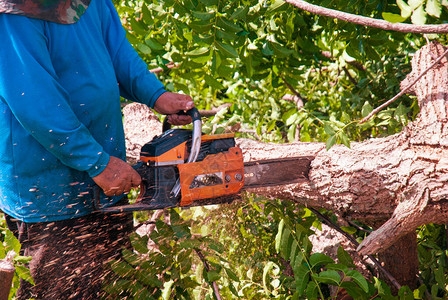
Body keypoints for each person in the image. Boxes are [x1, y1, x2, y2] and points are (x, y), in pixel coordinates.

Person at [0, 0, 193, 298]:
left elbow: (118, 54)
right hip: (49, 188)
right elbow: (36, 102)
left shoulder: (91, 2)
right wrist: (96, 162)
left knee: (114, 284)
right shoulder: (13, 13)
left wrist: (156, 94)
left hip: (105, 172)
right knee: (60, 290)